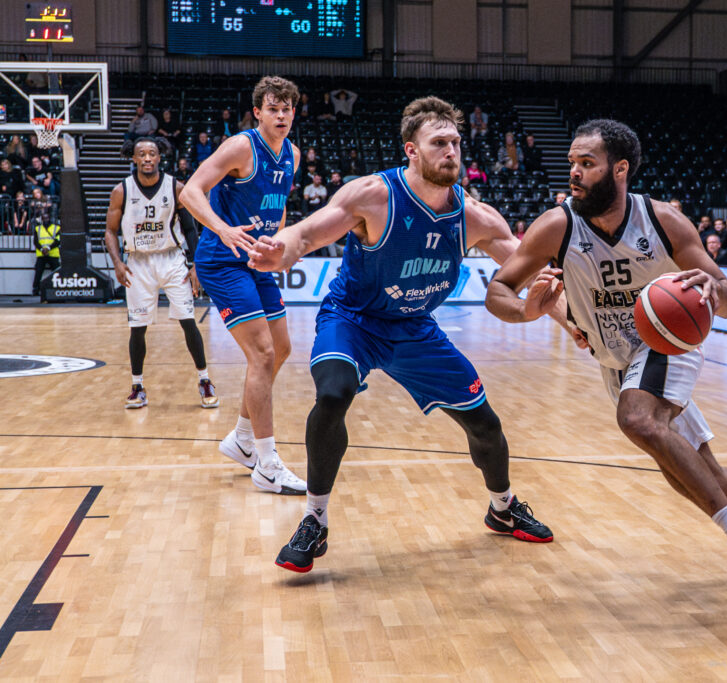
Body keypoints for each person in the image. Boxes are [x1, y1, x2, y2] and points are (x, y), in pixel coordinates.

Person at [486, 119, 727, 587]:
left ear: (620, 169)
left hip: (668, 343)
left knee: (638, 419)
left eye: (587, 163)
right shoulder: (558, 225)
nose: (574, 173)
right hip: (616, 362)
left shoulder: (662, 220)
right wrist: (524, 311)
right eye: (572, 163)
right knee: (699, 478)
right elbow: (498, 288)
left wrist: (712, 289)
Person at [247, 96, 557, 572]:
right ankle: (315, 519)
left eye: (455, 142)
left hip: (415, 329)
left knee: (486, 426)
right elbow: (307, 234)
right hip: (353, 319)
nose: (451, 151)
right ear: (411, 150)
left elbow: (529, 274)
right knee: (334, 393)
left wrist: (571, 322)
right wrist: (279, 250)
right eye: (439, 143)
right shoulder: (374, 194)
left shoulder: (476, 216)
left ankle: (503, 506)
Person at [180, 76, 307, 496]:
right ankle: (267, 463)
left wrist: (279, 242)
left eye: (288, 108)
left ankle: (242, 439)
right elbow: (190, 191)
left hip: (257, 260)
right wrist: (223, 230)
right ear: (258, 112)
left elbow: (280, 202)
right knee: (262, 352)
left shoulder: (293, 153)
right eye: (274, 108)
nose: (282, 115)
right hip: (222, 260)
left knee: (282, 347)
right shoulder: (240, 146)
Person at [103, 138, 218, 410]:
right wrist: (117, 262)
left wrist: (195, 265)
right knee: (137, 328)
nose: (146, 158)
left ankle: (204, 381)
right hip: (138, 262)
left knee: (188, 321)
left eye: (151, 153)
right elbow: (109, 230)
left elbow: (190, 229)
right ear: (133, 158)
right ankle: (137, 386)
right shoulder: (121, 190)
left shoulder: (176, 187)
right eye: (141, 154)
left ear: (159, 158)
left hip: (171, 259)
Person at [31, 204, 60, 297]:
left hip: (53, 253)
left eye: (47, 218)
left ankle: (58, 288)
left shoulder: (57, 228)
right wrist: (41, 249)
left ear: (50, 218)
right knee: (38, 272)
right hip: (41, 254)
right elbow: (35, 241)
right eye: (44, 218)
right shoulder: (37, 228)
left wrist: (48, 248)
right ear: (41, 219)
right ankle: (35, 289)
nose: (45, 220)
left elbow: (58, 240)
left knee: (57, 272)